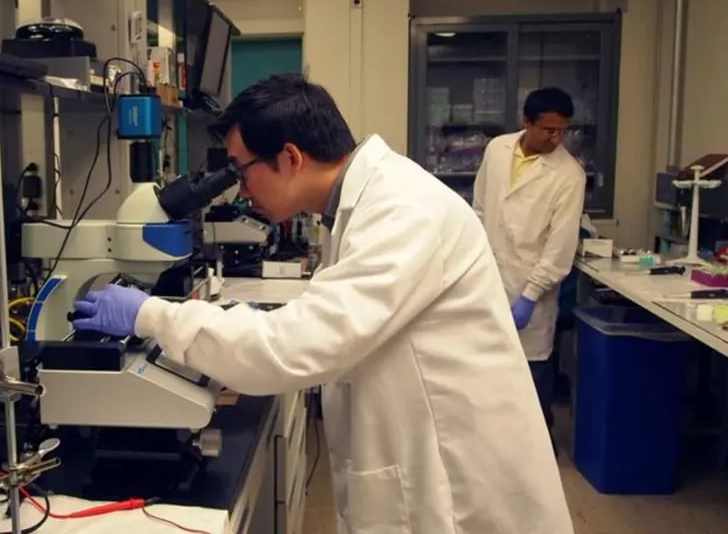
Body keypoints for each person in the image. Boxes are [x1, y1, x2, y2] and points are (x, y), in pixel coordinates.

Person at [73, 74, 573, 534]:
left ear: (290, 158)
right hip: (425, 457)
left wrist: (151, 314)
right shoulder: (364, 203)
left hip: (459, 487)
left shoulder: (404, 210)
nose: (242, 192)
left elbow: (292, 347)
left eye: (243, 173)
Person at [472, 87, 586, 439]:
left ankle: (538, 447)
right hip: (486, 280)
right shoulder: (497, 149)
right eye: (549, 130)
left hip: (531, 294)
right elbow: (479, 208)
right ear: (526, 122)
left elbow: (560, 248)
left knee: (532, 378)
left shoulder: (569, 175)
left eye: (563, 131)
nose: (556, 138)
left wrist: (530, 297)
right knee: (486, 372)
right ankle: (492, 445)